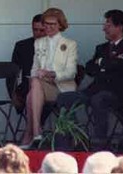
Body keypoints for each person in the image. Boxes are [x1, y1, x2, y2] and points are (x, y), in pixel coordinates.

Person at [20, 8, 78, 148]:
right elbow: (34, 69)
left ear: (60, 25)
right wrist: (38, 74)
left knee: (31, 94)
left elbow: (71, 72)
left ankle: (32, 132)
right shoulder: (38, 43)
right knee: (34, 83)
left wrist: (52, 74)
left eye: (53, 24)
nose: (49, 27)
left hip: (61, 87)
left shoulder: (70, 44)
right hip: (41, 86)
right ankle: (36, 132)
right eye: (46, 23)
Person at [84, 10, 123, 150]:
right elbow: (89, 68)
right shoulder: (101, 48)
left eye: (108, 25)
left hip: (118, 93)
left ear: (119, 27)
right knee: (65, 98)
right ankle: (70, 141)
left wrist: (102, 65)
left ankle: (100, 145)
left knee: (99, 99)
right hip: (95, 89)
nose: (104, 28)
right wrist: (107, 65)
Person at [11, 14, 45, 111]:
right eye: (35, 30)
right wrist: (12, 94)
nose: (38, 33)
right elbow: (12, 72)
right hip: (27, 86)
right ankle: (37, 124)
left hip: (49, 86)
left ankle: (37, 124)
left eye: (41, 30)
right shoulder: (22, 46)